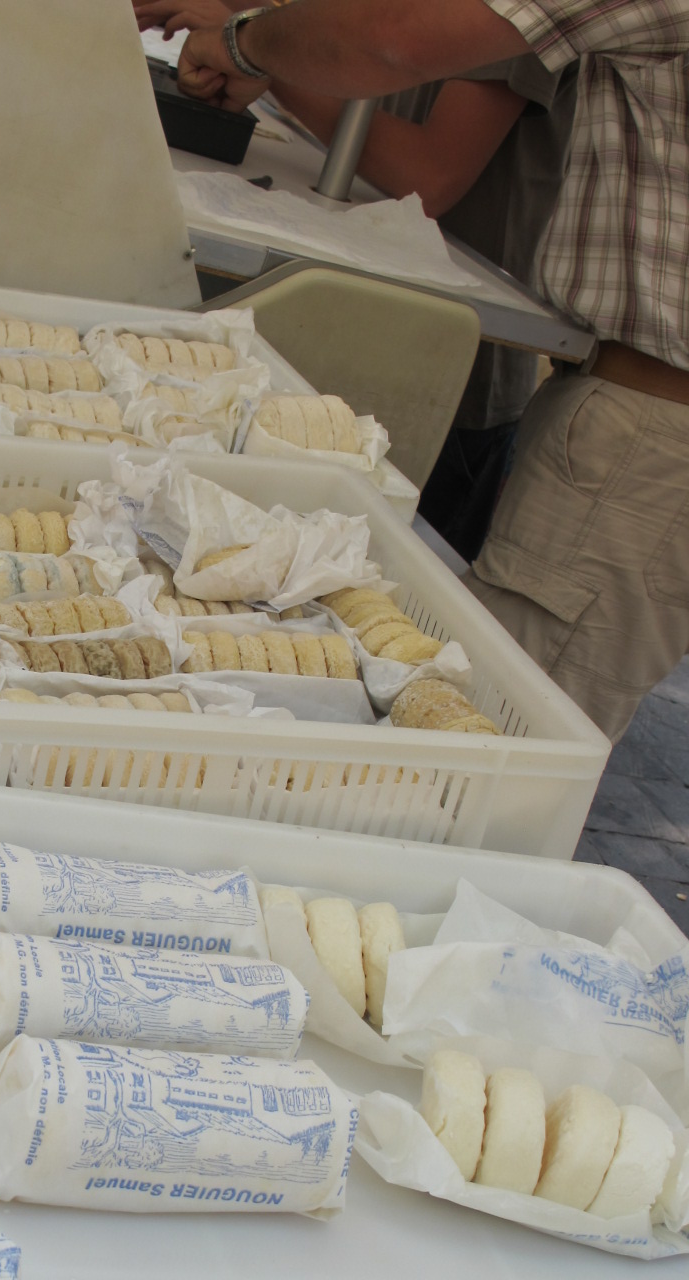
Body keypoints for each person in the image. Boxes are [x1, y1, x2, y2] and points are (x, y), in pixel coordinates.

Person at [169, 0, 689, 743]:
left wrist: (244, 41)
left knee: (479, 748)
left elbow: (396, 40)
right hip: (633, 418)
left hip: (646, 440)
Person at [134, 0, 578, 562]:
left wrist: (254, 55)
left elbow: (428, 173)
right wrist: (245, 32)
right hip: (323, 336)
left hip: (439, 383)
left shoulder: (508, 18)